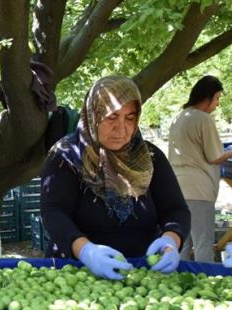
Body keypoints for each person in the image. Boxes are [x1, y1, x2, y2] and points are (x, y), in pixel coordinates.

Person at [40, 75, 191, 280]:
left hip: (143, 274)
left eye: (129, 118)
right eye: (111, 117)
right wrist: (85, 251)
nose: (121, 129)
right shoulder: (67, 155)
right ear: (93, 114)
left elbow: (175, 210)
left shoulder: (150, 157)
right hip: (77, 272)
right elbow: (53, 212)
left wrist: (172, 240)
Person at [167, 75, 232, 263]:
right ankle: (205, 286)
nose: (218, 104)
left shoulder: (178, 117)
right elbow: (215, 156)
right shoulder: (203, 119)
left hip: (177, 189)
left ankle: (182, 286)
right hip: (199, 191)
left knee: (183, 244)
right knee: (203, 244)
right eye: (218, 98)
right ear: (207, 97)